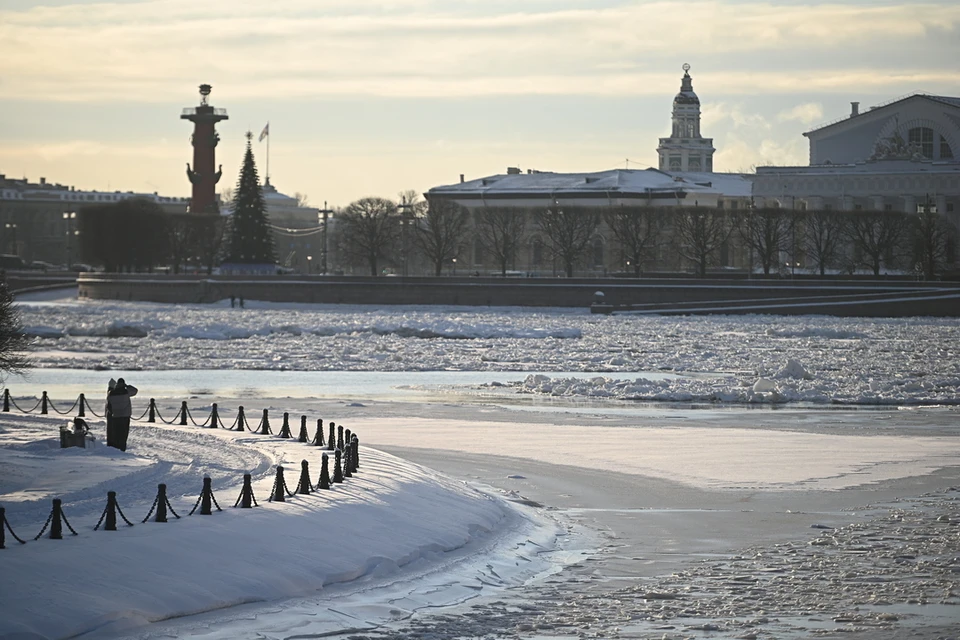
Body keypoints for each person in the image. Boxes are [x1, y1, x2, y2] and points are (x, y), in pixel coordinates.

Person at [106, 378, 138, 452]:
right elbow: (135, 390)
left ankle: (116, 447)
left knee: (116, 433)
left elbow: (109, 404)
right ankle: (122, 448)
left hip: (115, 416)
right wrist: (127, 386)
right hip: (125, 416)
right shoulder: (126, 392)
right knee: (124, 434)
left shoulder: (111, 393)